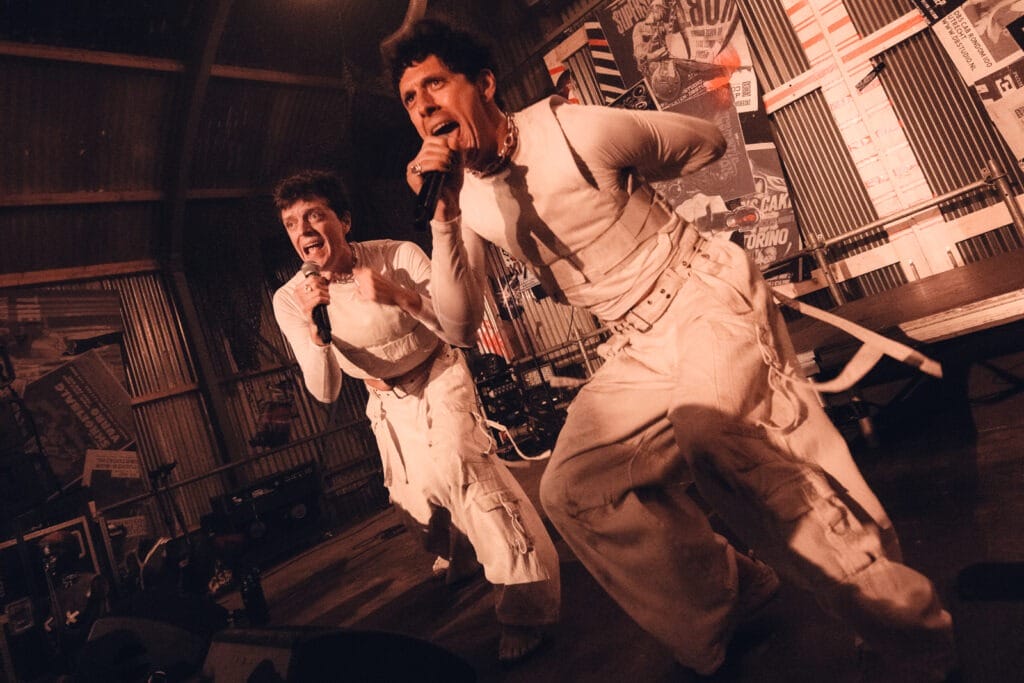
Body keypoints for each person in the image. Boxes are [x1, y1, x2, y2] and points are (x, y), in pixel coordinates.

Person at [386, 19, 956, 680]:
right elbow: (459, 326)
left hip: (701, 291)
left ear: (483, 84)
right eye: (410, 99)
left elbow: (705, 142)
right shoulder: (464, 200)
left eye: (435, 84)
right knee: (575, 487)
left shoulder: (573, 129)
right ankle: (732, 590)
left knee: (723, 440)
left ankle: (907, 632)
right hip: (635, 339)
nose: (423, 106)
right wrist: (443, 219)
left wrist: (630, 174)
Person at [270, 169, 560, 663]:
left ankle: (525, 609)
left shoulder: (398, 255)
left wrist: (399, 296)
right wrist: (318, 336)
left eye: (315, 215)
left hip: (438, 373)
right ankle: (461, 554)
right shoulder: (291, 300)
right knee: (419, 508)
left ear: (344, 221)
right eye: (293, 223)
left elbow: (458, 327)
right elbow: (325, 391)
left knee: (465, 471)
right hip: (385, 401)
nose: (304, 230)